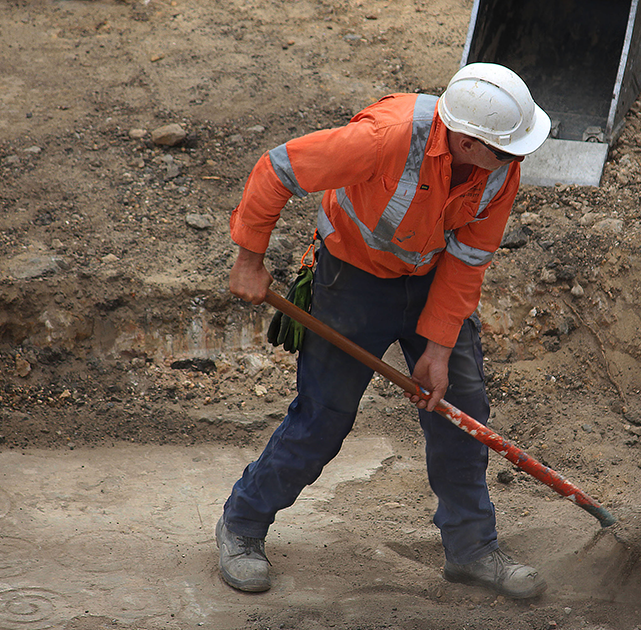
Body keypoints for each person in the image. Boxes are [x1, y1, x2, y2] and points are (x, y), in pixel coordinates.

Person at [218, 63, 552, 599]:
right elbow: (277, 168)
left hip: (433, 281)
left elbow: (468, 258)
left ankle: (471, 551)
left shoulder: (498, 167)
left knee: (460, 414)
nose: (517, 161)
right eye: (508, 152)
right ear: (467, 140)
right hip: (351, 280)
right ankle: (242, 525)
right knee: (323, 418)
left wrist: (439, 346)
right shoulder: (387, 139)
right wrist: (250, 259)